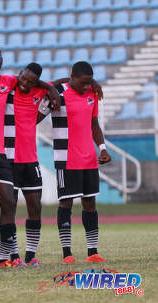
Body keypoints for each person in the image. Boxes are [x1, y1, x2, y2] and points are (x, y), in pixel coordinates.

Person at [0, 45, 60, 268]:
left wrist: (50, 89)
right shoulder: (9, 88)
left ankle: (25, 256)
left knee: (32, 206)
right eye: (23, 79)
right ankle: (0, 256)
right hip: (2, 155)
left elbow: (61, 82)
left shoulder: (21, 86)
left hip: (30, 159)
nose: (25, 83)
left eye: (31, 81)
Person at [38, 61, 111, 264]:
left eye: (90, 82)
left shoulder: (92, 94)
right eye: (84, 82)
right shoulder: (57, 93)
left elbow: (94, 124)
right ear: (73, 77)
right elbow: (36, 116)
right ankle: (67, 254)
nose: (87, 87)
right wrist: (55, 86)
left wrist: (103, 149)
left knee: (90, 203)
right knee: (66, 204)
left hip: (89, 159)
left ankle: (93, 252)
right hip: (66, 159)